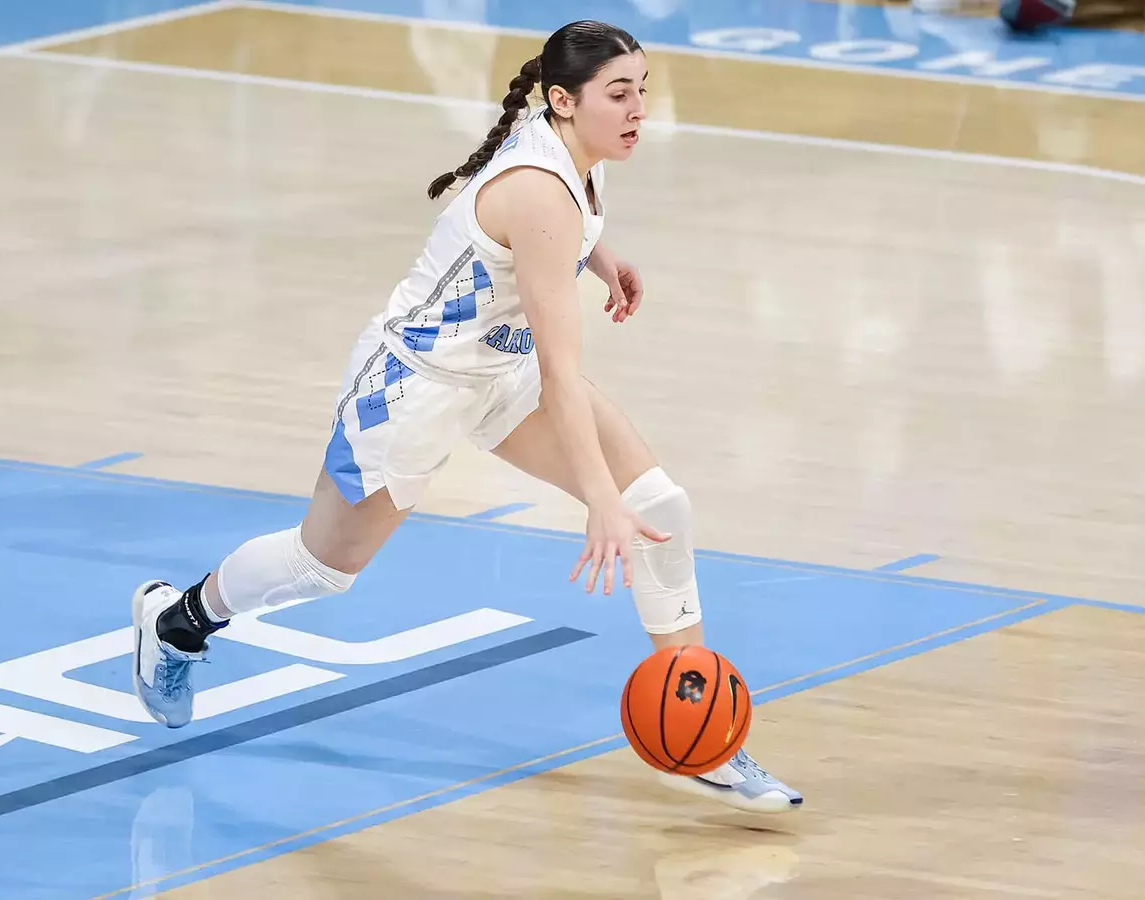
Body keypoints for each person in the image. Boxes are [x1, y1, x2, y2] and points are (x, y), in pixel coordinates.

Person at [128, 19, 802, 814]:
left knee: (663, 508)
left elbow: (550, 240)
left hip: (495, 370)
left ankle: (700, 733)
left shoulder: (573, 159)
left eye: (642, 91)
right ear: (563, 100)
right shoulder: (543, 190)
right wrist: (598, 501)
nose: (638, 109)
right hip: (411, 389)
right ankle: (177, 621)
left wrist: (600, 254)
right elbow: (562, 370)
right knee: (324, 568)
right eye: (619, 94)